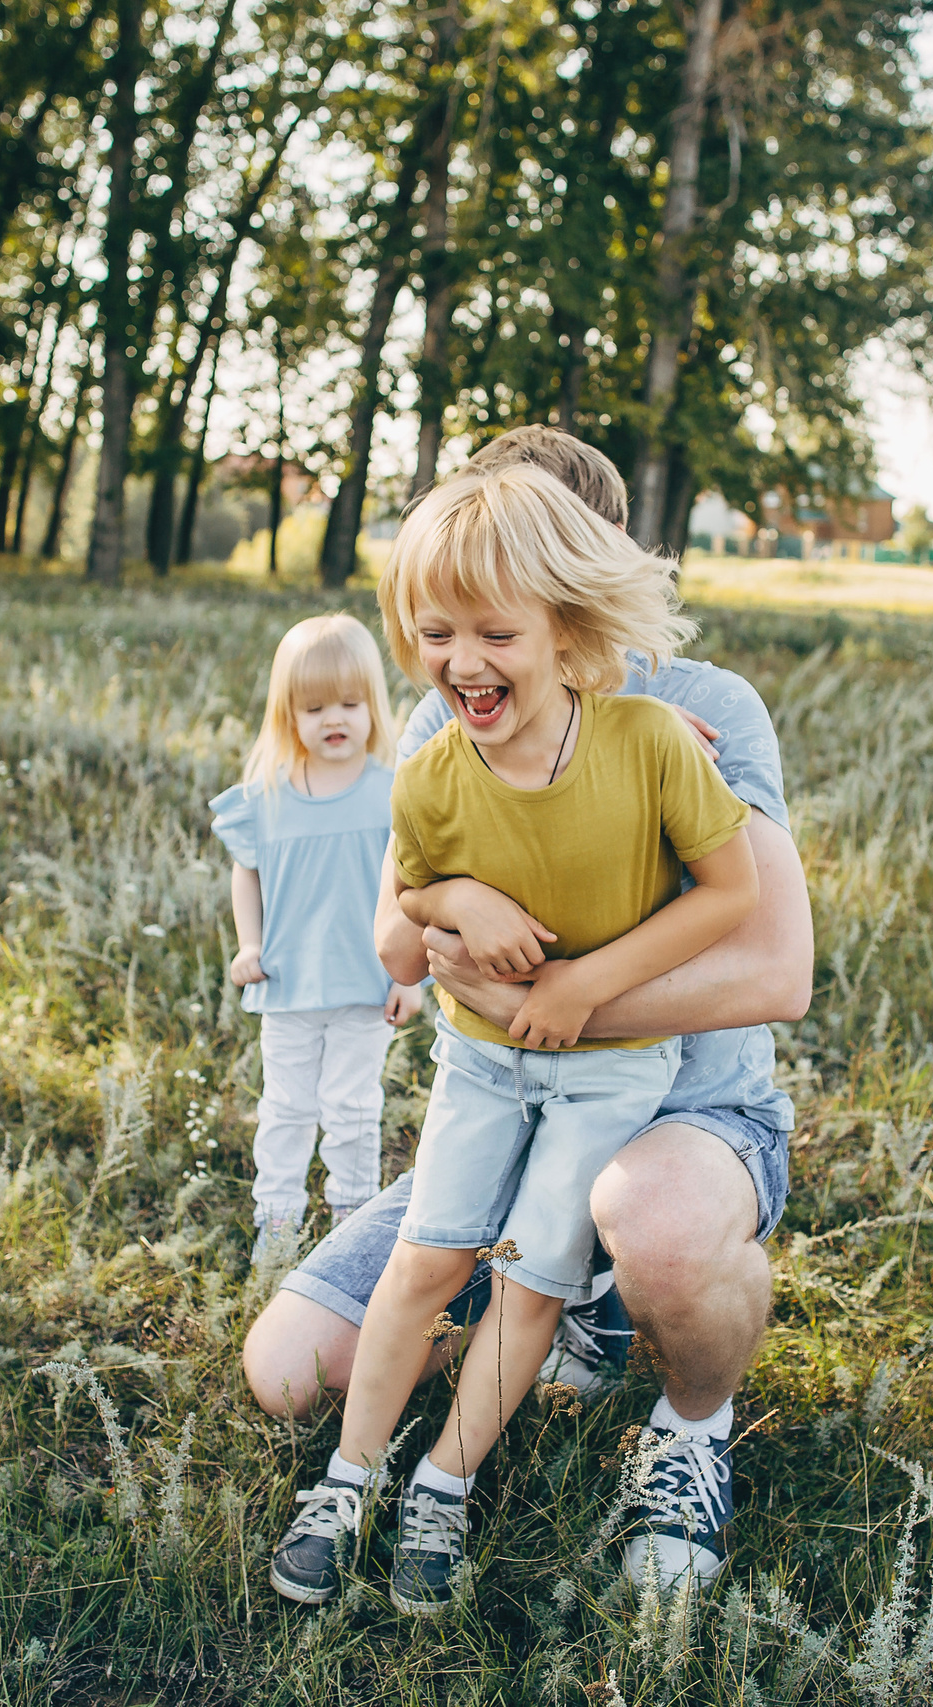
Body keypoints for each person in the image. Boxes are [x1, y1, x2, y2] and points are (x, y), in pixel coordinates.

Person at [243, 426, 811, 1597]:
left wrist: (560, 998)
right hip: (508, 1097)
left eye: (506, 611)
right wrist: (459, 909)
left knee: (640, 1215)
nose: (467, 651)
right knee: (288, 1371)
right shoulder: (451, 718)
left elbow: (773, 970)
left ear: (585, 584)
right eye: (449, 618)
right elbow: (414, 940)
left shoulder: (696, 715)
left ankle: (688, 1425)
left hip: (677, 1110)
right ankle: (549, 1307)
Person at [210, 614, 425, 1263]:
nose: (335, 718)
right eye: (316, 706)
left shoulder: (392, 794)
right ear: (289, 713)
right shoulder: (266, 798)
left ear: (374, 706)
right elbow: (245, 875)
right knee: (285, 1108)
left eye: (351, 704)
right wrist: (249, 944)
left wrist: (410, 977)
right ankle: (276, 1227)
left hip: (365, 986)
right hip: (289, 984)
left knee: (353, 1108)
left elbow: (417, 889)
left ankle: (350, 1222)